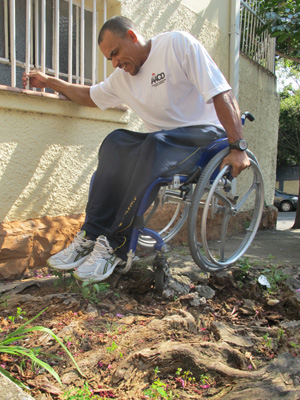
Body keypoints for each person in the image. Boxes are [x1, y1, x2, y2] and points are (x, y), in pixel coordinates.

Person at [22, 16, 250, 282]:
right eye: (110, 59)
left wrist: (238, 146)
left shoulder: (177, 45)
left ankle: (116, 244)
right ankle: (91, 235)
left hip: (205, 138)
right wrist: (49, 81)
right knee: (116, 141)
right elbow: (89, 95)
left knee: (155, 142)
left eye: (116, 53)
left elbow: (221, 91)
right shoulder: (122, 79)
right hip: (164, 143)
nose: (115, 63)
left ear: (132, 36)